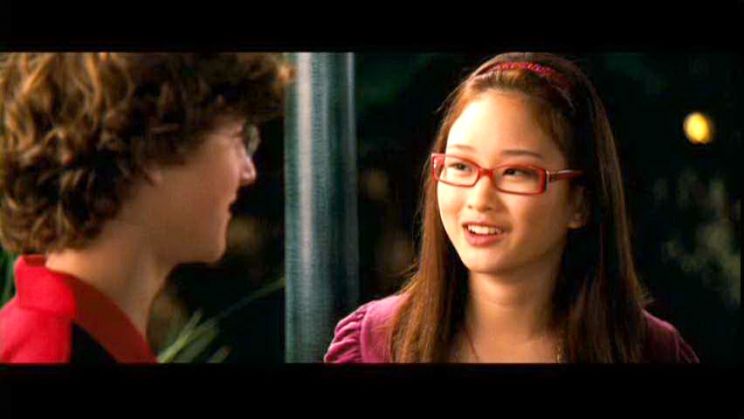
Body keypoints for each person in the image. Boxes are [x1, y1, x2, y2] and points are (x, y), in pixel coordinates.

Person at [325, 52, 699, 363]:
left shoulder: (652, 351)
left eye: (515, 172)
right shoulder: (373, 345)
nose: (480, 198)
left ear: (580, 202)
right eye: (460, 166)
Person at [0, 53, 291, 363]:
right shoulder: (55, 353)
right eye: (238, 138)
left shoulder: (63, 337)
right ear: (154, 146)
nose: (248, 172)